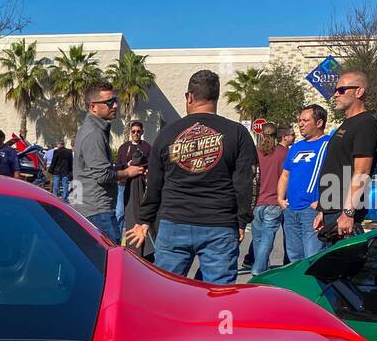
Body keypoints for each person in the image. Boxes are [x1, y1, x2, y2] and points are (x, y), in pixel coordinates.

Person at [125, 69, 255, 285]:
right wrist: (242, 219)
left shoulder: (167, 134)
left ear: (190, 97)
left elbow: (155, 183)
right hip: (220, 225)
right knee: (217, 295)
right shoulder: (237, 133)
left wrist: (144, 220)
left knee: (166, 292)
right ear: (216, 97)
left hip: (174, 221)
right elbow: (247, 181)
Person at [315, 70, 377, 245]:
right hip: (333, 209)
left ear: (359, 91)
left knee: (342, 270)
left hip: (345, 212)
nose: (335, 94)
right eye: (335, 90)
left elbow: (362, 171)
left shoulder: (365, 123)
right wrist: (324, 209)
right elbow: (338, 165)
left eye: (341, 90)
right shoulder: (347, 123)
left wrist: (348, 213)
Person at [74, 83, 145, 243]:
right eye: (109, 102)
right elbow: (102, 174)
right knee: (108, 262)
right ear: (93, 107)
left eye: (115, 100)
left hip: (92, 208)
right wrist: (128, 172)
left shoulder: (92, 130)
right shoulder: (94, 133)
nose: (115, 105)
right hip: (97, 210)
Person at [278, 105, 330, 263]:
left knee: (312, 259)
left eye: (305, 120)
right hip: (290, 210)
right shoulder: (296, 147)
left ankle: (312, 288)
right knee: (294, 259)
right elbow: (285, 174)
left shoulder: (329, 145)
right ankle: (297, 288)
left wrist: (324, 204)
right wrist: (280, 198)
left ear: (319, 122)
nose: (300, 124)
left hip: (312, 212)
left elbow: (340, 175)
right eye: (299, 120)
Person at [250, 121, 288, 275]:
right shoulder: (283, 153)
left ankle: (261, 266)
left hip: (256, 201)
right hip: (274, 200)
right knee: (267, 238)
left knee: (258, 238)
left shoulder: (255, 152)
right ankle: (259, 268)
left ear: (262, 134)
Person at [117, 121, 151, 236]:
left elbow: (151, 164)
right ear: (130, 132)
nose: (136, 134)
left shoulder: (147, 147)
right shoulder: (123, 147)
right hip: (124, 184)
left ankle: (138, 235)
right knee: (120, 212)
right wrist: (128, 165)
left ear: (142, 132)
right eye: (133, 131)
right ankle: (118, 239)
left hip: (140, 186)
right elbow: (118, 165)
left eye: (138, 131)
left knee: (138, 212)